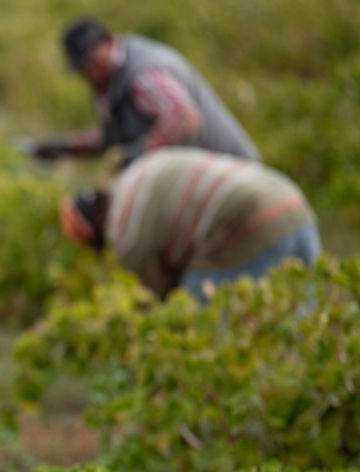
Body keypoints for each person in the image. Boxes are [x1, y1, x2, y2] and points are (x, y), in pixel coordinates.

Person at [59, 147, 320, 300]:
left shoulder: (126, 235)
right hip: (291, 201)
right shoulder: (135, 173)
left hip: (246, 221)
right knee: (307, 319)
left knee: (201, 327)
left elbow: (158, 300)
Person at [28, 18, 258, 166]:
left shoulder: (145, 73)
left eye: (91, 62)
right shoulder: (108, 79)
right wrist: (66, 147)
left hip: (233, 174)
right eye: (82, 68)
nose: (88, 72)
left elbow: (185, 119)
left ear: (108, 42)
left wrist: (139, 152)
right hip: (202, 179)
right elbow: (115, 136)